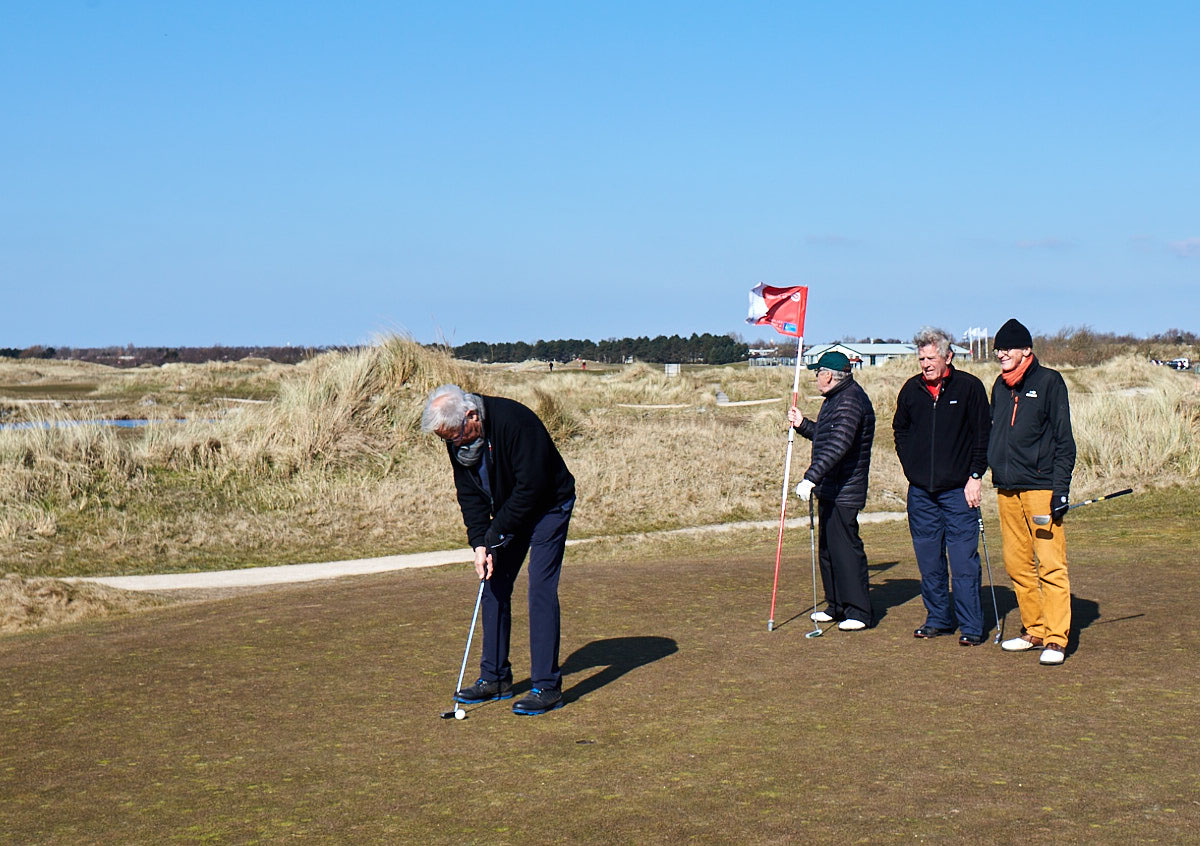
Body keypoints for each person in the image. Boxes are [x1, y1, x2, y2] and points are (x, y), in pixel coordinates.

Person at [422, 384, 576, 713]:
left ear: (471, 415)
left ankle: (547, 686)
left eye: (456, 435)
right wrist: (480, 543)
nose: (454, 443)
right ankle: (495, 678)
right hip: (511, 511)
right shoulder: (457, 439)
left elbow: (531, 488)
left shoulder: (515, 422)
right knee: (492, 584)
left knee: (540, 589)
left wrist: (495, 532)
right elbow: (470, 495)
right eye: (446, 439)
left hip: (550, 505)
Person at [893, 327, 991, 646]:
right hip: (921, 493)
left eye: (931, 358)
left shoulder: (969, 387)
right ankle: (938, 619)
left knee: (963, 562)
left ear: (948, 357)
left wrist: (975, 476)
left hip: (959, 491)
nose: (925, 364)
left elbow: (982, 435)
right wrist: (911, 466)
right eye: (921, 358)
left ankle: (971, 626)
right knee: (929, 562)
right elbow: (900, 430)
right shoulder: (911, 390)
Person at [987, 319, 1076, 666]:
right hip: (1007, 489)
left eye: (1007, 348)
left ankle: (1056, 638)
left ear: (1026, 350)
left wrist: (1061, 490)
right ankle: (1035, 629)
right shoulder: (999, 386)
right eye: (998, 349)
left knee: (1051, 565)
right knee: (1017, 564)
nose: (1001, 354)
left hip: (1041, 488)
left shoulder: (1049, 382)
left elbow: (1064, 441)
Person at [788, 351, 876, 630]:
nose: (816, 378)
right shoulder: (836, 398)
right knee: (828, 550)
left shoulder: (850, 400)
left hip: (845, 489)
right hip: (831, 487)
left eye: (818, 373)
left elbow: (839, 445)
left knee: (845, 551)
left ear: (828, 375)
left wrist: (810, 478)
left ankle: (858, 612)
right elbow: (826, 435)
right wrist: (803, 425)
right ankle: (836, 606)